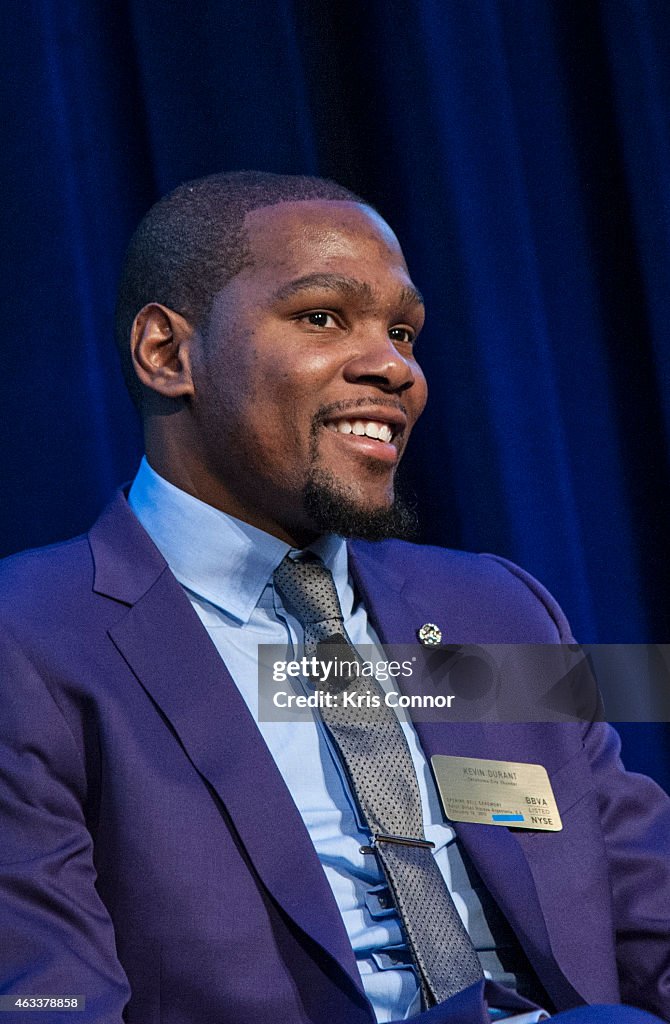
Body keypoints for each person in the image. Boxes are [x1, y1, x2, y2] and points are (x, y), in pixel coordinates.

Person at [0, 171, 668, 1024]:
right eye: (322, 317)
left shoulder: (494, 609)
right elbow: (47, 1005)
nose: (393, 366)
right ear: (169, 355)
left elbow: (648, 914)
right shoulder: (30, 636)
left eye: (404, 333)